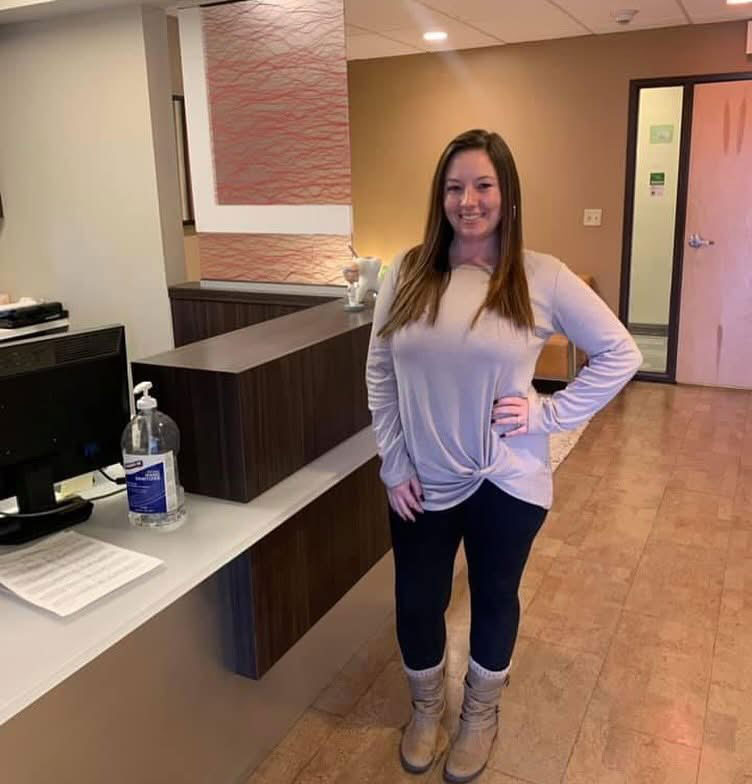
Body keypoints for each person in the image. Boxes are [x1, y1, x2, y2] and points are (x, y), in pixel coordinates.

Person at [365, 129, 642, 783]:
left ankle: (480, 716)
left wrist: (548, 413)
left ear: (507, 194)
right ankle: (427, 709)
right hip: (422, 479)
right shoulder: (408, 271)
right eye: (455, 186)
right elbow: (380, 369)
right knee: (415, 602)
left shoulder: (539, 275)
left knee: (493, 597)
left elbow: (620, 354)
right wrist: (393, 462)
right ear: (441, 196)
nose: (469, 199)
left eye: (483, 185)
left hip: (505, 478)